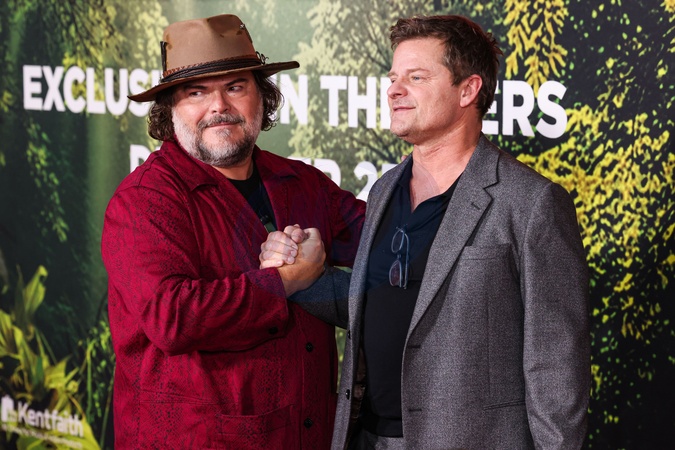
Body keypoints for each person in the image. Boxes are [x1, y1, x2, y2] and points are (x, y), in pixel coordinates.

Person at [262, 14, 590, 450]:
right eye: (393, 78)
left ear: (468, 90)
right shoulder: (384, 190)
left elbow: (557, 365)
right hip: (366, 438)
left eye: (415, 77)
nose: (394, 90)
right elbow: (383, 302)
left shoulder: (530, 203)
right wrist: (295, 274)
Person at [101, 14, 365, 449]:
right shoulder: (144, 200)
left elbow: (389, 242)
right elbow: (173, 318)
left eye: (236, 87)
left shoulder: (302, 182)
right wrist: (285, 280)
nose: (218, 106)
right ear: (170, 108)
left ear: (262, 96)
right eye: (196, 92)